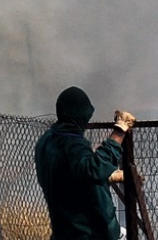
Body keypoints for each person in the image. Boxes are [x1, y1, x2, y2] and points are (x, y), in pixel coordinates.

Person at [34, 86, 136, 240]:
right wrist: (119, 132)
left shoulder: (47, 141)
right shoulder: (71, 144)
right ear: (80, 115)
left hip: (63, 230)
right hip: (86, 232)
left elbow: (70, 175)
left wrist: (108, 177)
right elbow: (93, 168)